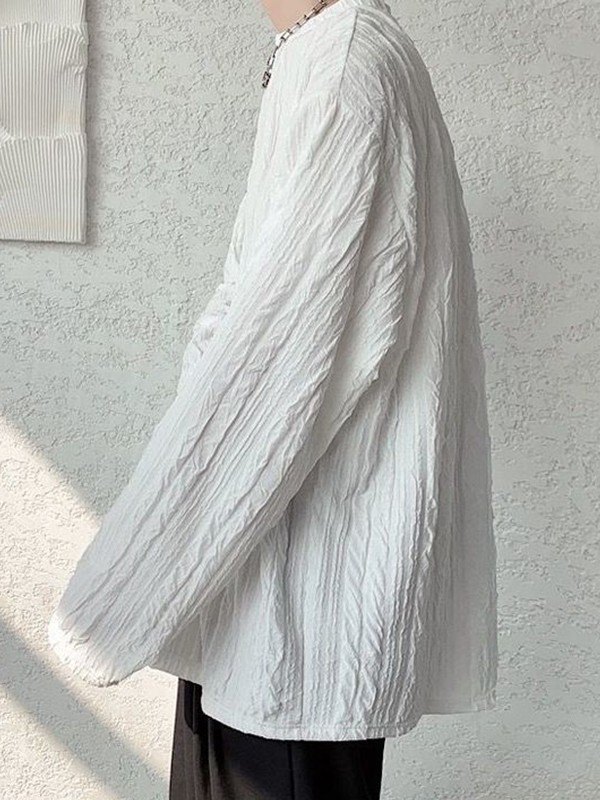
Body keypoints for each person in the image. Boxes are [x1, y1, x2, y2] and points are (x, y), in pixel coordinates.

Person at [48, 0, 498, 797]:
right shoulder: (328, 53)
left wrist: (117, 596)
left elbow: (286, 363)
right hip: (266, 593)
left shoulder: (344, 65)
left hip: (293, 614)